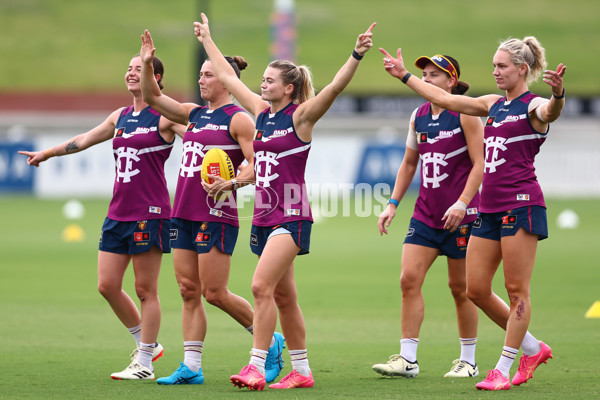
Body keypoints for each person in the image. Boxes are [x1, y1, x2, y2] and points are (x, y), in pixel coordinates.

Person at [193, 13, 375, 390]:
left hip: (291, 214)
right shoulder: (261, 114)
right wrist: (207, 39)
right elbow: (227, 77)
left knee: (260, 287)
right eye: (262, 79)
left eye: (270, 79)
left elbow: (335, 88)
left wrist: (355, 54)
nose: (262, 83)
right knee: (284, 296)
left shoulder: (302, 117)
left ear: (289, 88)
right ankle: (302, 371)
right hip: (263, 214)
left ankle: (256, 366)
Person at [379, 36, 566, 390]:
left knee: (515, 291)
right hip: (489, 210)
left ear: (522, 69)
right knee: (475, 290)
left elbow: (550, 113)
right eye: (494, 65)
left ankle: (502, 368)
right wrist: (404, 76)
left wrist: (557, 95)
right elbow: (445, 99)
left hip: (523, 204)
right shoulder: (493, 104)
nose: (495, 71)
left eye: (502, 66)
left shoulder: (534, 105)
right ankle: (533, 348)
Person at [19, 54, 186, 379]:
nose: (132, 73)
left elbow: (197, 137)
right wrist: (47, 153)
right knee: (107, 285)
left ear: (157, 78)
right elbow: (83, 139)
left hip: (149, 213)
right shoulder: (120, 116)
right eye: (129, 68)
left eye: (141, 69)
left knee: (145, 290)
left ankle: (145, 363)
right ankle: (146, 342)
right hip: (118, 212)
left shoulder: (164, 116)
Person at [138, 29, 285, 385]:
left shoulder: (239, 119)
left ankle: (270, 339)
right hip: (182, 212)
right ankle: (191, 366)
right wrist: (145, 64)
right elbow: (152, 97)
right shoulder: (194, 114)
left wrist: (232, 182)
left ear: (224, 79)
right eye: (200, 74)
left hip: (216, 214)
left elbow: (258, 165)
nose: (200, 79)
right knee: (188, 289)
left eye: (207, 74)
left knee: (214, 292)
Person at [372, 54, 483, 379]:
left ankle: (469, 360)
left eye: (435, 74)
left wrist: (462, 202)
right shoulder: (418, 115)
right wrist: (392, 203)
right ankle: (408, 359)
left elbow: (480, 163)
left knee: (460, 288)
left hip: (461, 216)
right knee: (408, 280)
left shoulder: (464, 112)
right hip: (425, 215)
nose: (428, 78)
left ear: (452, 81)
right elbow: (409, 164)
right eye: (425, 74)